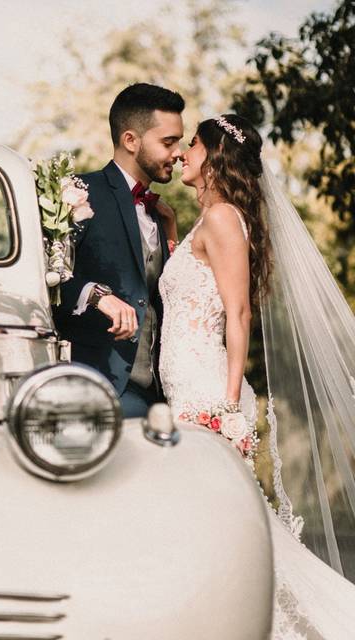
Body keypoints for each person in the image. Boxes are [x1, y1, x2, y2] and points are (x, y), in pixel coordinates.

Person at [159, 112, 355, 638]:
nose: (181, 153)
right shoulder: (209, 219)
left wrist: (225, 409)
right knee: (206, 524)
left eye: (192, 144)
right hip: (188, 389)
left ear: (216, 156)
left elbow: (238, 313)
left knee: (222, 527)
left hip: (206, 395)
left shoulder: (223, 217)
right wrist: (173, 230)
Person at [52, 83, 184, 418]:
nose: (179, 153)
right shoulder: (78, 193)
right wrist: (95, 294)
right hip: (97, 389)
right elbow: (44, 277)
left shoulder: (162, 213)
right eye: (169, 142)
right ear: (130, 140)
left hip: (159, 395)